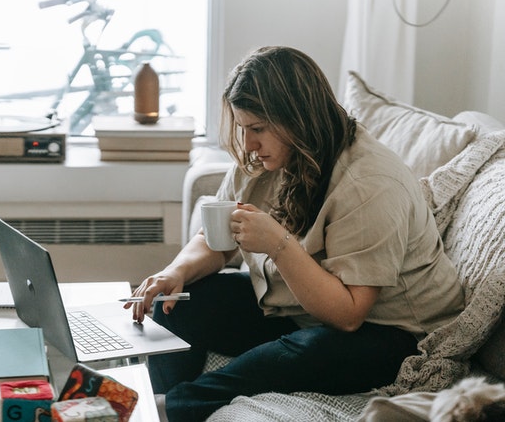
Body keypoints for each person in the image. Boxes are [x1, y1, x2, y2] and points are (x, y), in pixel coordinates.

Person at [123, 46, 465, 421]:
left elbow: (349, 315)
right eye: (243, 128)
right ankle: (157, 399)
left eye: (258, 129)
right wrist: (175, 272)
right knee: (177, 301)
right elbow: (214, 239)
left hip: (390, 332)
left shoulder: (369, 183)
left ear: (298, 118)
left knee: (307, 350)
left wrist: (278, 244)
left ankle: (170, 408)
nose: (249, 144)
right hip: (299, 307)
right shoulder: (268, 159)